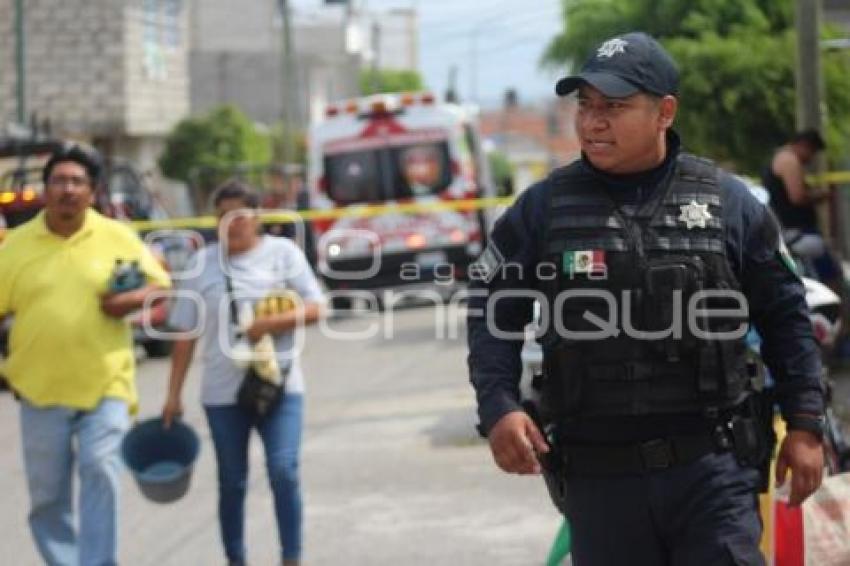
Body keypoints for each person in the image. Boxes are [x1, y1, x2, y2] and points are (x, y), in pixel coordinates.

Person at [467, 32, 825, 566]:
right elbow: (491, 304)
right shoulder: (543, 209)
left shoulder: (728, 203)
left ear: (665, 112)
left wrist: (805, 422)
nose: (592, 122)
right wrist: (497, 405)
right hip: (599, 478)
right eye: (585, 106)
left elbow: (786, 315)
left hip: (713, 468)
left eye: (613, 106)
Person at [0, 144, 171, 565]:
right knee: (48, 499)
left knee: (100, 470)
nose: (68, 189)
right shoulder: (16, 247)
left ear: (92, 193)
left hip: (105, 384)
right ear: (46, 190)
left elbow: (160, 286)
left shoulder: (117, 237)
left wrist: (128, 300)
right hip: (40, 390)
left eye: (77, 182)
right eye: (59, 180)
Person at [161, 181, 324, 566]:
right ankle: (235, 558)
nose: (231, 224)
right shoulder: (202, 265)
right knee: (232, 481)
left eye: (239, 215)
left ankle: (291, 558)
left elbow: (318, 307)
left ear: (257, 217)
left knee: (284, 471)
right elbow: (185, 335)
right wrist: (173, 395)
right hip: (222, 393)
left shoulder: (282, 254)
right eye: (222, 216)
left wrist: (271, 323)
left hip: (279, 384)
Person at [761, 129, 839, 282]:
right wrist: (822, 195)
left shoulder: (780, 158)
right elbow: (797, 197)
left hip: (790, 230)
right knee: (829, 276)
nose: (811, 158)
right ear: (804, 145)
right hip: (797, 231)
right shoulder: (790, 161)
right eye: (813, 152)